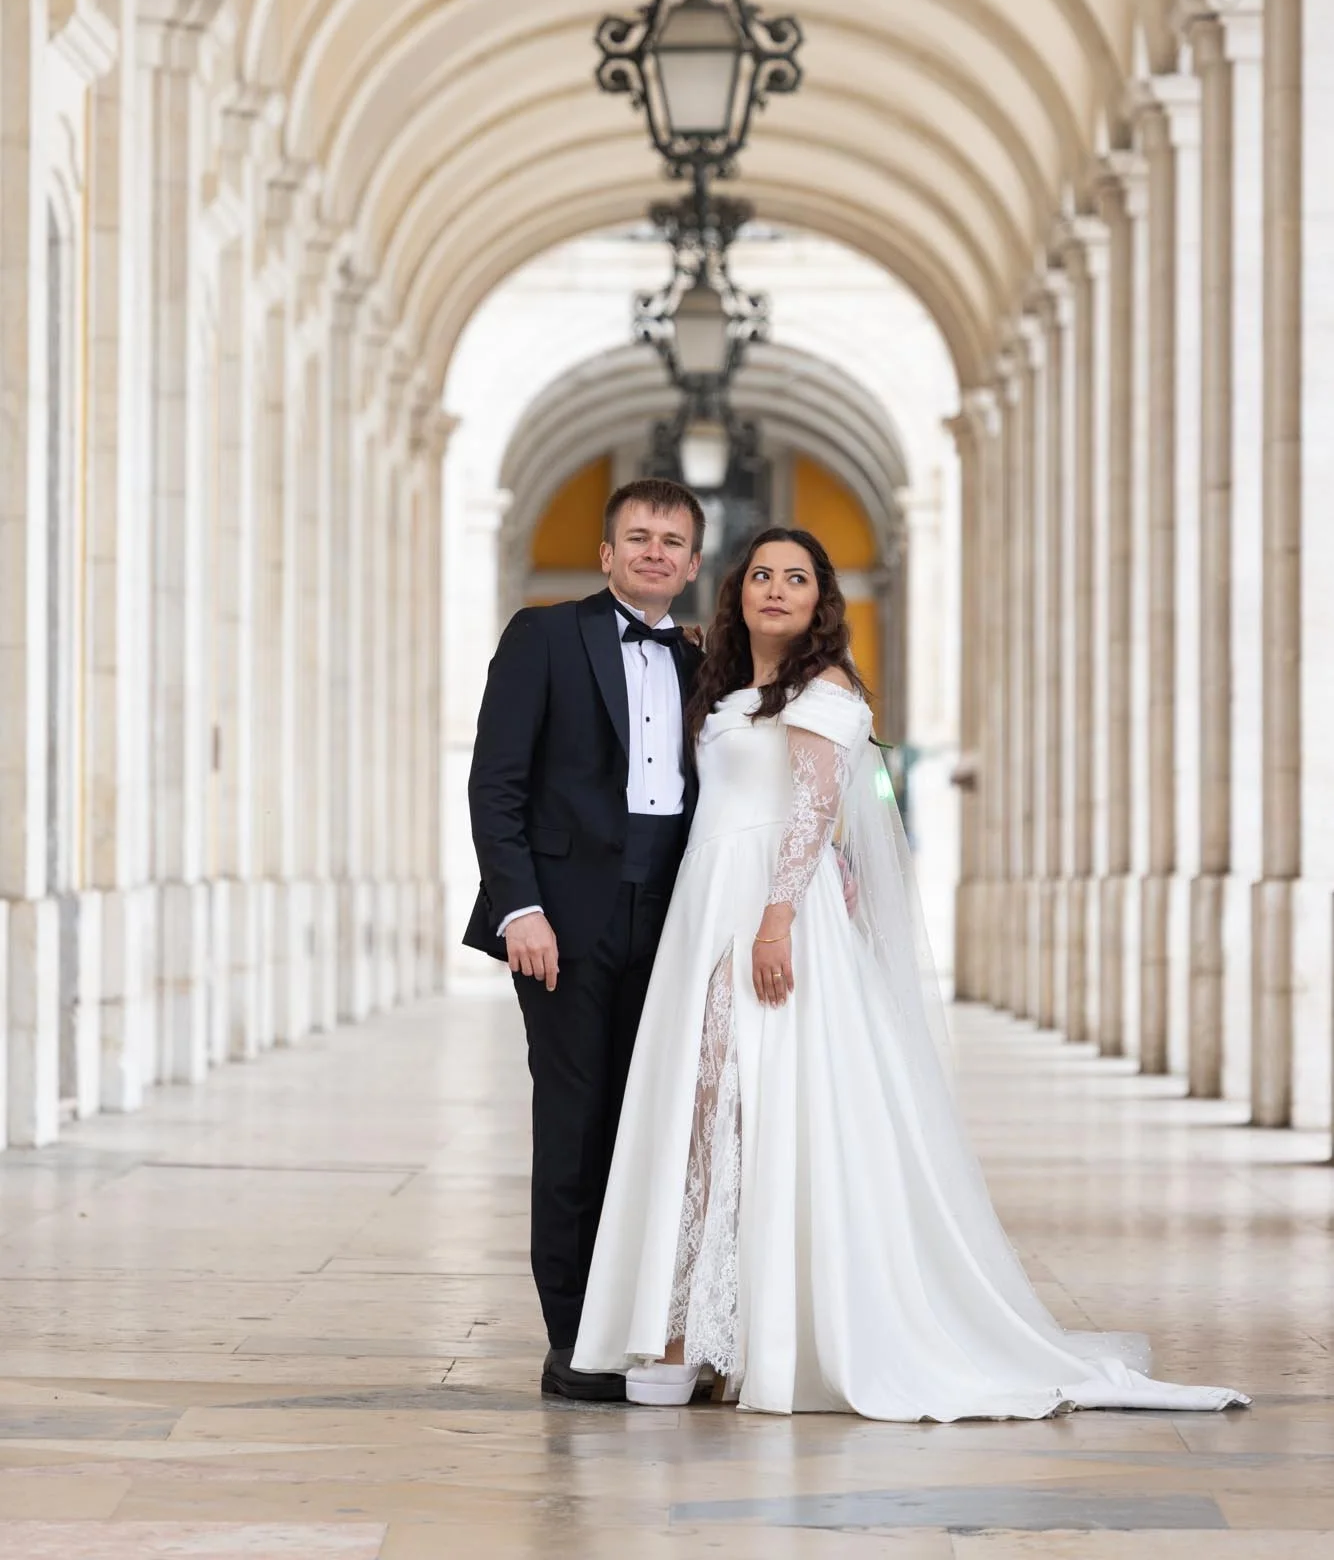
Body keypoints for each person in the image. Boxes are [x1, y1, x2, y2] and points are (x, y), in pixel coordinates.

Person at [573, 527, 1247, 1420]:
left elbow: (814, 815)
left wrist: (774, 924)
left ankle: (734, 1333)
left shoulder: (827, 688)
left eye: (798, 579)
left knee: (755, 1100)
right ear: (737, 591)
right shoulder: (722, 689)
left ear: (821, 601)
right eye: (762, 576)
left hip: (773, 911)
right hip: (706, 905)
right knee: (704, 1109)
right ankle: (699, 1325)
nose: (777, 589)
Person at [465, 477, 705, 1401]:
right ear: (606, 554)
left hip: (676, 912)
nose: (654, 552)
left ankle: (642, 1323)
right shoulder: (544, 635)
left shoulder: (701, 660)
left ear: (690, 564)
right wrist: (519, 908)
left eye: (672, 541)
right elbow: (498, 784)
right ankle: (574, 1342)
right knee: (574, 1127)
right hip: (563, 921)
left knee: (653, 1127)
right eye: (637, 537)